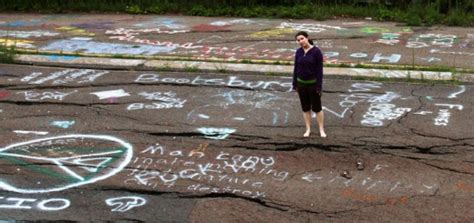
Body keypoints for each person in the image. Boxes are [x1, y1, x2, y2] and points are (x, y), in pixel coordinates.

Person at [293, 31, 326, 138]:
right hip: (301, 84)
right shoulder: (298, 52)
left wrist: (319, 86)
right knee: (305, 108)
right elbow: (296, 68)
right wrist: (295, 83)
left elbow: (319, 71)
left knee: (317, 108)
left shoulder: (316, 52)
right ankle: (308, 129)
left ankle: (321, 129)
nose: (300, 41)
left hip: (313, 84)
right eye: (298, 40)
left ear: (307, 38)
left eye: (302, 38)